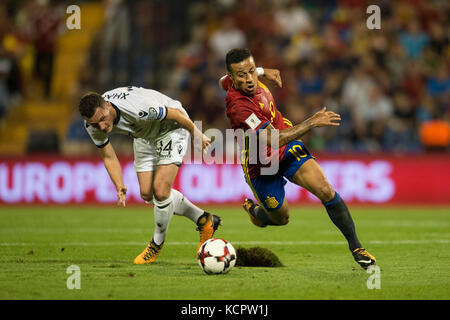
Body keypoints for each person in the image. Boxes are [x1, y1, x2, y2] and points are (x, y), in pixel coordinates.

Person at [219, 48, 376, 269]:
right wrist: (311, 122)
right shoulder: (239, 108)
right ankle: (256, 212)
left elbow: (221, 81)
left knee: (325, 190)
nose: (250, 79)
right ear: (233, 78)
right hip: (261, 166)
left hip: (288, 150)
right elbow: (274, 140)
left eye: (252, 71)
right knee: (281, 218)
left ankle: (357, 247)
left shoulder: (237, 79)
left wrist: (265, 71)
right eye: (241, 75)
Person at [78, 86, 221, 264]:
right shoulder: (92, 125)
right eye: (94, 124)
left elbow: (176, 113)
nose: (101, 126)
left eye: (102, 119)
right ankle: (205, 220)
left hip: (170, 129)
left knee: (161, 192)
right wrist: (119, 184)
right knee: (147, 194)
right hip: (143, 135)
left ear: (107, 106)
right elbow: (108, 155)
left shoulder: (138, 108)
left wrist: (196, 133)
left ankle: (156, 244)